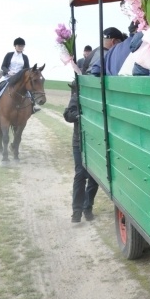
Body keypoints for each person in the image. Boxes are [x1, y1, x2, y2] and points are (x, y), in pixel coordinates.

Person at [63, 80, 98, 222]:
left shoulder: (98, 96)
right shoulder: (77, 96)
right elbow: (68, 115)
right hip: (79, 142)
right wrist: (79, 115)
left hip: (96, 143)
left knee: (95, 177)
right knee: (80, 174)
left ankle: (87, 207)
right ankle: (76, 211)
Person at [0, 37, 39, 113]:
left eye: (22, 46)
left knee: (29, 88)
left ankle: (33, 106)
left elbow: (27, 69)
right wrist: (8, 72)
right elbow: (3, 66)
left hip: (20, 78)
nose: (21, 47)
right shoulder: (9, 55)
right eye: (19, 46)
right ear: (15, 46)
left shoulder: (25, 57)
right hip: (7, 76)